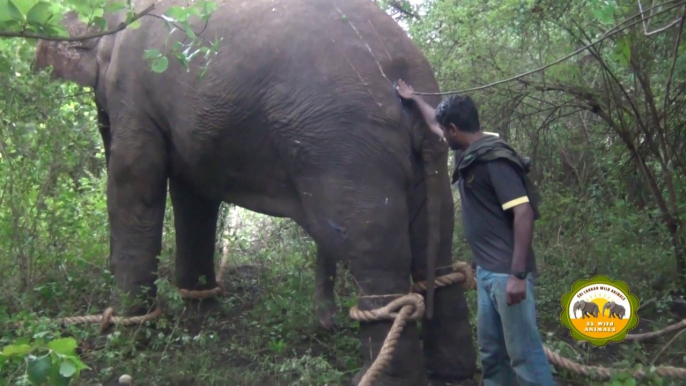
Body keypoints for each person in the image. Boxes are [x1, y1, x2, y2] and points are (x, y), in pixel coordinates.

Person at [395, 79, 554, 386]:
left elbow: (524, 213)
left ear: (454, 129)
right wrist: (413, 98)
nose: (440, 134)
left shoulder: (494, 160)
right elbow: (433, 120)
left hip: (507, 275)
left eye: (444, 131)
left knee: (523, 355)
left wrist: (517, 276)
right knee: (493, 354)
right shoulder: (470, 150)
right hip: (487, 274)